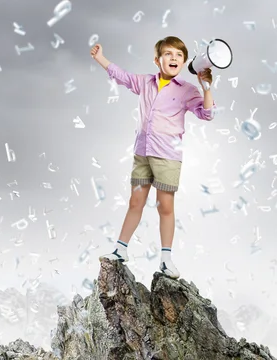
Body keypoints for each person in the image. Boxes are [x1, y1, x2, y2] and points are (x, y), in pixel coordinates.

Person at [91, 36, 215, 279]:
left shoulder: (187, 91)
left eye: (179, 55)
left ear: (183, 62)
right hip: (142, 153)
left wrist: (207, 88)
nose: (174, 58)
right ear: (157, 60)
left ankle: (166, 259)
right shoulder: (145, 83)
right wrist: (100, 58)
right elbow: (122, 76)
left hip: (167, 157)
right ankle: (120, 250)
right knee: (135, 203)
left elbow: (207, 114)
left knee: (165, 206)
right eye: (168, 54)